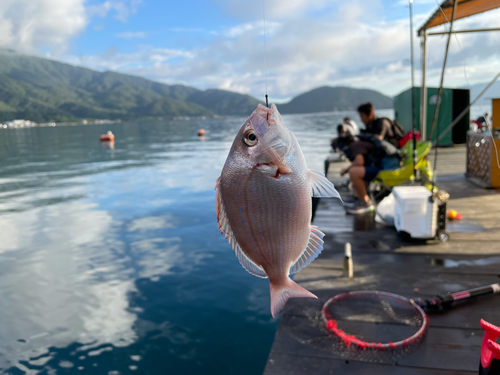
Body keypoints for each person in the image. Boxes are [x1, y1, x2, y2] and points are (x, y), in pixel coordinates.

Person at [337, 132, 379, 214]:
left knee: (354, 172)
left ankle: (366, 203)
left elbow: (359, 161)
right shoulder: (358, 143)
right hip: (378, 166)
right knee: (354, 170)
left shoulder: (355, 146)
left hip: (381, 168)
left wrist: (346, 170)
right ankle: (359, 199)